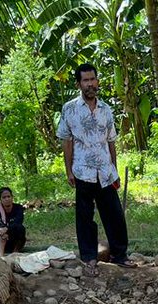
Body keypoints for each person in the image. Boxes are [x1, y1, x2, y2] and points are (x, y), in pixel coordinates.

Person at [57, 63, 135, 277]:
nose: (90, 84)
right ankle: (89, 258)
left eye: (93, 79)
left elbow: (111, 141)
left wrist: (114, 168)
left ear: (97, 81)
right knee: (85, 217)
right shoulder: (69, 109)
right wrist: (69, 171)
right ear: (79, 84)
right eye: (85, 80)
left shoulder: (106, 109)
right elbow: (66, 141)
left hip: (105, 171)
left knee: (114, 215)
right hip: (83, 171)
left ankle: (120, 255)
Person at [0, 187, 27, 254]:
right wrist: (2, 233)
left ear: (12, 197)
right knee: (0, 231)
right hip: (1, 240)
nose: (7, 199)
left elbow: (18, 222)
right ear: (0, 199)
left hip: (14, 240)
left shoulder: (18, 208)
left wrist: (7, 229)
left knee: (21, 228)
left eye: (8, 196)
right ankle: (1, 254)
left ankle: (15, 252)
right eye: (4, 197)